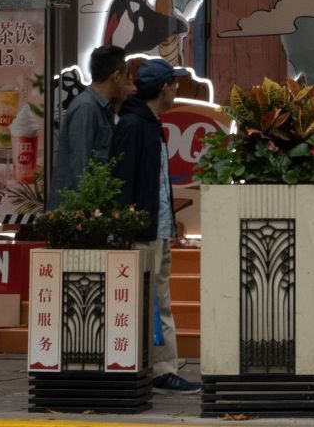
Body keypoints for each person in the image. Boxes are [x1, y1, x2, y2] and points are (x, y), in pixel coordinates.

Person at [111, 57, 199, 394]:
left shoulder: (145, 123)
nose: (177, 89)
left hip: (155, 229)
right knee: (156, 303)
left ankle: (154, 366)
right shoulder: (136, 126)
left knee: (158, 301)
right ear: (164, 88)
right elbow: (123, 183)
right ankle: (162, 369)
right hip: (144, 233)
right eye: (174, 84)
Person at [51, 44, 128, 200]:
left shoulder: (101, 107)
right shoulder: (86, 108)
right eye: (126, 76)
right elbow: (80, 169)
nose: (127, 82)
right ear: (117, 76)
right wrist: (88, 214)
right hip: (78, 214)